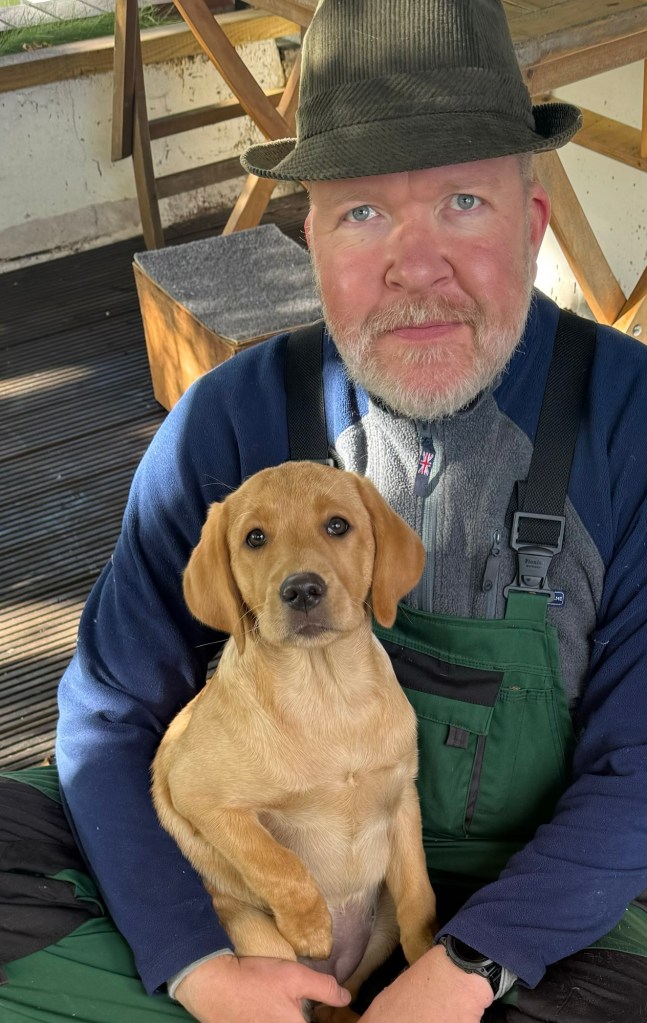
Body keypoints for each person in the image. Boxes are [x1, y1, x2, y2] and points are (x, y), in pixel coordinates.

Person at [3, 0, 647, 1020]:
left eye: (463, 202)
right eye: (362, 213)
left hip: (543, 904)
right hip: (255, 889)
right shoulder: (228, 419)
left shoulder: (628, 418)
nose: (414, 265)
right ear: (311, 240)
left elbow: (638, 771)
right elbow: (110, 715)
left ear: (530, 225)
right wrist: (194, 962)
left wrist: (470, 965)